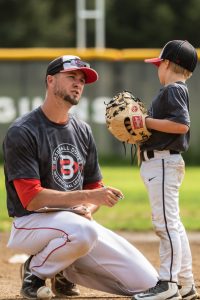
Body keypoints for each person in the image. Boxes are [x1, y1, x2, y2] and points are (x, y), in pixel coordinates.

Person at [3, 55, 158, 299]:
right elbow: (31, 199)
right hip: (30, 225)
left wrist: (86, 207)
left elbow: (94, 190)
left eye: (82, 80)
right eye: (71, 77)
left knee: (148, 282)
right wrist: (86, 198)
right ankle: (35, 271)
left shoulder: (82, 130)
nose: (78, 84)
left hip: (73, 226)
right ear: (51, 81)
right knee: (84, 232)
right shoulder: (23, 131)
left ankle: (64, 269)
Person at [133, 40, 199, 300]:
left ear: (168, 63)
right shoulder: (176, 89)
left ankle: (168, 283)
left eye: (159, 64)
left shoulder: (172, 89)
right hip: (161, 161)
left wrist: (145, 121)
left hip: (162, 162)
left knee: (166, 225)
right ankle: (185, 283)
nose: (157, 69)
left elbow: (181, 125)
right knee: (174, 225)